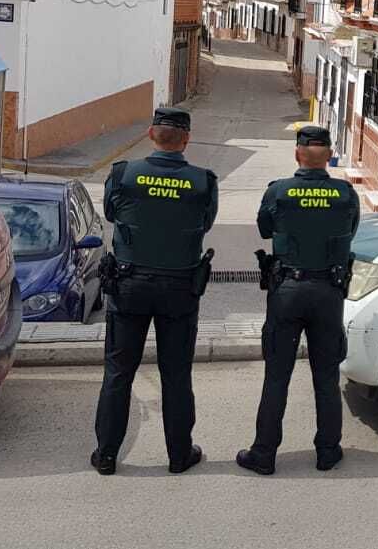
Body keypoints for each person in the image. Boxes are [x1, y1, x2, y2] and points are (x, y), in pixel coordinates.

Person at [90, 107, 218, 476]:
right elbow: (205, 223)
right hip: (178, 289)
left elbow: (112, 214)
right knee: (176, 375)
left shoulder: (124, 174)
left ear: (150, 133)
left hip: (129, 287)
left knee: (118, 373)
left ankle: (108, 455)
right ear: (186, 139)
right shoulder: (202, 181)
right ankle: (179, 456)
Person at [237, 126, 360, 475]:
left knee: (276, 376)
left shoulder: (279, 191)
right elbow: (350, 232)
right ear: (330, 154)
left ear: (297, 154)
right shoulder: (345, 194)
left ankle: (264, 454)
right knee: (326, 376)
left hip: (287, 291)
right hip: (328, 293)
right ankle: (327, 451)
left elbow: (264, 228)